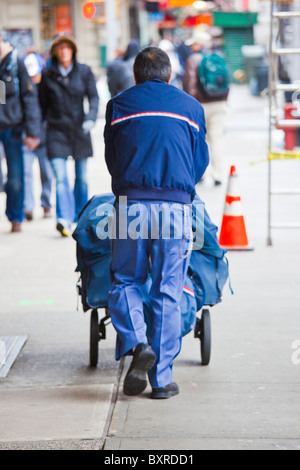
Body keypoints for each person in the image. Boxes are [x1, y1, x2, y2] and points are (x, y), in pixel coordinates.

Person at [104, 47, 209, 399]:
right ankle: (161, 380)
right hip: (175, 210)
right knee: (167, 289)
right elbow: (199, 162)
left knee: (125, 281)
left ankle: (136, 343)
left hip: (129, 205)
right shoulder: (191, 108)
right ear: (169, 75)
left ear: (135, 76)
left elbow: (112, 159)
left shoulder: (119, 105)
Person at [39, 33, 99, 237]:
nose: (64, 51)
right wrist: (38, 130)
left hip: (80, 129)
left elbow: (93, 97)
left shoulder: (84, 71)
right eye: (60, 48)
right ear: (55, 51)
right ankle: (63, 219)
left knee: (81, 177)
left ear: (73, 50)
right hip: (56, 131)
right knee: (61, 177)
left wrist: (90, 118)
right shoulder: (47, 74)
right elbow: (41, 105)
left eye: (68, 47)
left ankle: (80, 216)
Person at [0, 31, 41, 233]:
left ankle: (15, 216)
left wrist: (33, 131)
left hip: (12, 129)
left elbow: (29, 98)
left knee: (15, 176)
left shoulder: (15, 61)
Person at [183, 28, 229, 186]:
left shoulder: (193, 59)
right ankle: (218, 175)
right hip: (220, 103)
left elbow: (189, 86)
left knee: (200, 139)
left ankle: (201, 174)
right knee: (216, 139)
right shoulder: (217, 56)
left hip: (200, 105)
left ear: (198, 43)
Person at [23, 52, 53, 221]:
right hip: (26, 136)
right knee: (26, 173)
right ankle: (27, 206)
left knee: (46, 172)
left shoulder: (47, 86)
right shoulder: (22, 85)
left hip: (44, 135)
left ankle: (46, 203)